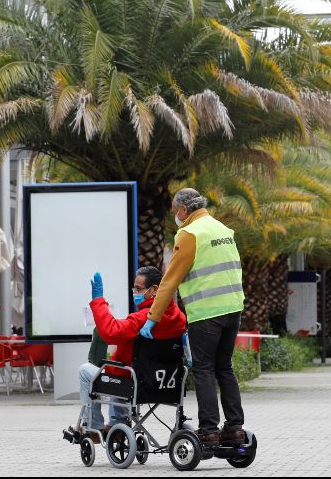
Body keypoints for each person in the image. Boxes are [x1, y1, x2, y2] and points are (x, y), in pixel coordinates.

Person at [139, 188, 246, 446]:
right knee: (225, 368)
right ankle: (235, 428)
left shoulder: (189, 234)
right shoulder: (223, 230)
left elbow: (169, 281)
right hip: (233, 309)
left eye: (176, 211)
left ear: (185, 210)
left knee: (204, 369)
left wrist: (152, 317)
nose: (176, 216)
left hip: (206, 313)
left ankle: (208, 430)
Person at [73, 268, 186, 443]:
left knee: (87, 371)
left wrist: (98, 301)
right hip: (166, 383)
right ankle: (117, 425)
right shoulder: (179, 318)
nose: (135, 293)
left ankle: (93, 427)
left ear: (155, 290)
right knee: (120, 369)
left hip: (134, 380)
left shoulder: (141, 319)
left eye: (139, 289)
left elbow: (109, 332)